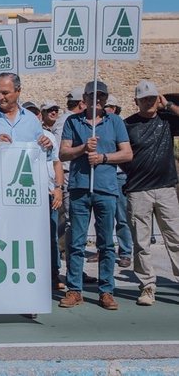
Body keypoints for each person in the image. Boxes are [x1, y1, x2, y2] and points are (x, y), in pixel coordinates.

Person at [58, 80, 132, 311]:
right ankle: (74, 289)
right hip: (80, 188)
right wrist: (83, 149)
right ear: (85, 99)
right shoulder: (73, 121)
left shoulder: (116, 121)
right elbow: (63, 153)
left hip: (106, 188)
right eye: (93, 96)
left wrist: (103, 158)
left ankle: (106, 290)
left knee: (106, 244)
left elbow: (127, 153)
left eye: (101, 96)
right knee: (77, 242)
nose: (97, 100)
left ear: (105, 98)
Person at [122, 80, 179, 306]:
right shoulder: (127, 125)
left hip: (166, 188)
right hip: (138, 190)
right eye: (144, 98)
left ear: (158, 99)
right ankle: (147, 286)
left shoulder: (167, 120)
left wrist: (170, 106)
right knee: (141, 243)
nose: (149, 102)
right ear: (136, 101)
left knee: (175, 238)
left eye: (152, 98)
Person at [23, 102, 65, 291]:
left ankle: (53, 274)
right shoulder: (20, 137)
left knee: (51, 237)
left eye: (35, 114)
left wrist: (58, 188)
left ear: (39, 117)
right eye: (28, 114)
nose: (32, 117)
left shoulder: (48, 137)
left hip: (47, 193)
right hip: (25, 196)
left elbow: (57, 163)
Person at [0, 73, 52, 151]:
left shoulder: (31, 119)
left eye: (5, 93)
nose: (0, 97)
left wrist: (47, 147)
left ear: (18, 91)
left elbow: (42, 155)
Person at [52, 88, 87, 261]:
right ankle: (66, 255)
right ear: (81, 103)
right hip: (66, 173)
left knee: (68, 219)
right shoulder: (67, 121)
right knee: (70, 220)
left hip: (68, 173)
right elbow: (59, 153)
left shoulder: (62, 120)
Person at [99, 95, 133, 268]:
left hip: (118, 175)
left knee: (122, 217)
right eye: (107, 106)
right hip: (104, 174)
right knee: (103, 218)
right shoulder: (98, 124)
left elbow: (126, 152)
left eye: (111, 106)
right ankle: (103, 250)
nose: (108, 109)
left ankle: (125, 252)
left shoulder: (119, 124)